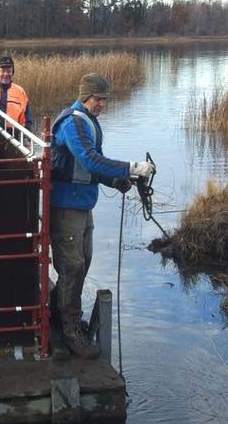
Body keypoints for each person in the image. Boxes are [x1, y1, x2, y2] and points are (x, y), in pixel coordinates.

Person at [49, 73, 154, 359]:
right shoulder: (73, 123)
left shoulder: (89, 123)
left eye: (105, 100)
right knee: (71, 265)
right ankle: (70, 330)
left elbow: (92, 168)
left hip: (83, 203)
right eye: (98, 99)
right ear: (85, 96)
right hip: (65, 205)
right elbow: (88, 159)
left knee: (84, 261)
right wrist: (131, 168)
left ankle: (59, 311)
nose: (102, 105)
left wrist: (116, 181)